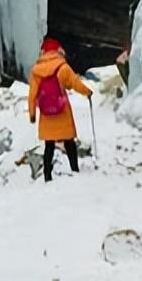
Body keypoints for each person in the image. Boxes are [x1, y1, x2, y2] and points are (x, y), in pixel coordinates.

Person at [27, 37, 93, 182]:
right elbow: (75, 83)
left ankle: (47, 176)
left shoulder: (36, 71)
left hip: (46, 113)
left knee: (49, 145)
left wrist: (32, 114)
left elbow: (32, 94)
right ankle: (74, 169)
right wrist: (87, 92)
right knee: (69, 142)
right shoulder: (62, 67)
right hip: (62, 110)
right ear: (58, 50)